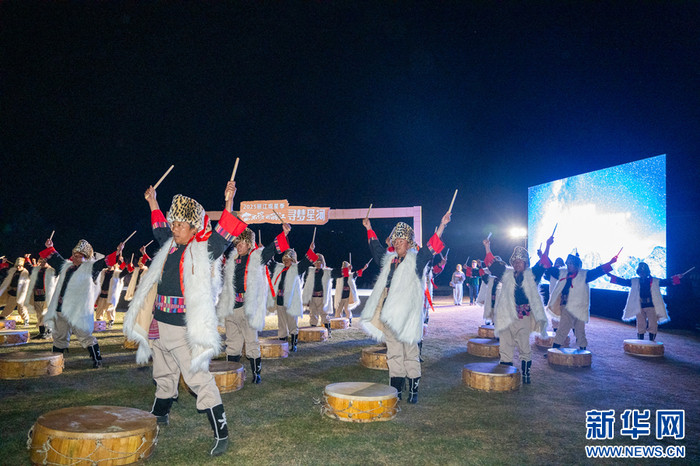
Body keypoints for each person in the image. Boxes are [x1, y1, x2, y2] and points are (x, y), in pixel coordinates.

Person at [123, 180, 244, 456]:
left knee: (197, 378)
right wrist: (153, 201)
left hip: (183, 328)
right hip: (159, 323)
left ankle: (221, 431)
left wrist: (229, 201)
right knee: (163, 371)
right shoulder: (169, 244)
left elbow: (224, 234)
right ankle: (160, 413)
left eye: (180, 225)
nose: (174, 228)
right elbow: (159, 228)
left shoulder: (203, 250)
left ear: (193, 228)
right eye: (173, 223)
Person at [360, 213, 450, 403]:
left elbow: (430, 247)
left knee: (411, 353)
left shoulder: (417, 260)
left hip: (408, 317)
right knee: (394, 354)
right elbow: (377, 250)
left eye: (401, 241)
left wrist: (442, 225)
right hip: (390, 316)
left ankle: (413, 392)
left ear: (409, 243)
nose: (397, 243)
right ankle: (397, 391)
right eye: (395, 241)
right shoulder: (389, 260)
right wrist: (369, 228)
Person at [217, 224, 290, 383]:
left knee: (251, 342)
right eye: (237, 243)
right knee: (232, 343)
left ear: (249, 244)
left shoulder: (257, 257)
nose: (238, 246)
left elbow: (271, 249)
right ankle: (232, 375)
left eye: (241, 243)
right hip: (231, 307)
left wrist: (284, 233)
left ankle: (257, 374)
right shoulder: (231, 260)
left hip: (247, 308)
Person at [41, 238, 123, 367]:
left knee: (84, 335)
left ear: (86, 258)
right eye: (74, 255)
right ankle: (56, 363)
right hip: (61, 308)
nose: (75, 257)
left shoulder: (90, 268)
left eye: (79, 256)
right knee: (59, 336)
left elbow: (104, 262)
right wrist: (50, 247)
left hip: (78, 311)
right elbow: (56, 258)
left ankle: (97, 360)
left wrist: (117, 252)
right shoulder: (66, 266)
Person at [483, 238, 549, 383]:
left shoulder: (532, 274)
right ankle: (505, 374)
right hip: (507, 316)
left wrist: (548, 246)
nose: (517, 263)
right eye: (515, 261)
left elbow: (543, 263)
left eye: (521, 261)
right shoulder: (507, 274)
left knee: (524, 344)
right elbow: (493, 265)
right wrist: (487, 247)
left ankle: (526, 374)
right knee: (505, 343)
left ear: (526, 263)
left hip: (523, 317)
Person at [545, 247, 617, 350]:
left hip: (579, 307)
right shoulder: (563, 273)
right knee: (563, 328)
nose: (568, 266)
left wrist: (610, 263)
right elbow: (550, 268)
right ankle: (554, 350)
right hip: (566, 306)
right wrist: (544, 252)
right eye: (568, 263)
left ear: (577, 266)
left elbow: (597, 271)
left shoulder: (584, 275)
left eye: (571, 264)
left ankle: (583, 350)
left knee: (579, 329)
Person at [607, 262, 683, 340]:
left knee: (653, 323)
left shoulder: (654, 281)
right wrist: (612, 276)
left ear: (647, 272)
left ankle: (651, 341)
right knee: (640, 323)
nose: (642, 273)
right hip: (639, 305)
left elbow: (666, 282)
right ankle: (640, 340)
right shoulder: (635, 281)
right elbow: (624, 282)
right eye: (640, 272)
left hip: (651, 305)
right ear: (638, 272)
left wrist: (677, 278)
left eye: (644, 272)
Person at [267, 246, 312, 351]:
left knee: (292, 323)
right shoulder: (279, 268)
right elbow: (270, 262)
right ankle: (282, 343)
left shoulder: (296, 269)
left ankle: (294, 344)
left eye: (289, 259)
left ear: (293, 260)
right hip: (280, 300)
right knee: (281, 323)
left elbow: (305, 262)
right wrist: (264, 251)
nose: (286, 261)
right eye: (285, 259)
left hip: (292, 301)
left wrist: (311, 250)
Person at [302, 251, 341, 336]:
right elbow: (307, 284)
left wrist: (346, 270)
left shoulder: (327, 272)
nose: (318, 264)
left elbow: (338, 273)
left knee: (324, 314)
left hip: (322, 297)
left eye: (319, 262)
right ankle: (313, 332)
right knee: (313, 314)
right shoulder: (311, 272)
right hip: (312, 297)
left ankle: (328, 331)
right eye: (316, 262)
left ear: (323, 262)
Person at [23, 258, 57, 339]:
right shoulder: (36, 270)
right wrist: (27, 259)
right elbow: (30, 267)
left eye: (44, 262)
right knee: (39, 315)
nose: (42, 263)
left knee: (47, 314)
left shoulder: (53, 271)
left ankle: (49, 331)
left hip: (47, 296)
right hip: (37, 295)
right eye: (41, 261)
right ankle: (41, 332)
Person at [0, 257, 31, 326]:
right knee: (9, 307)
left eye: (20, 266)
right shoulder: (12, 272)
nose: (18, 267)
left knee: (22, 308)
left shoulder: (25, 273)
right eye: (17, 266)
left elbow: (26, 286)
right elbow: (4, 273)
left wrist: (27, 259)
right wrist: (3, 263)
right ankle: (1, 319)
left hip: (22, 294)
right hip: (13, 293)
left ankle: (26, 320)